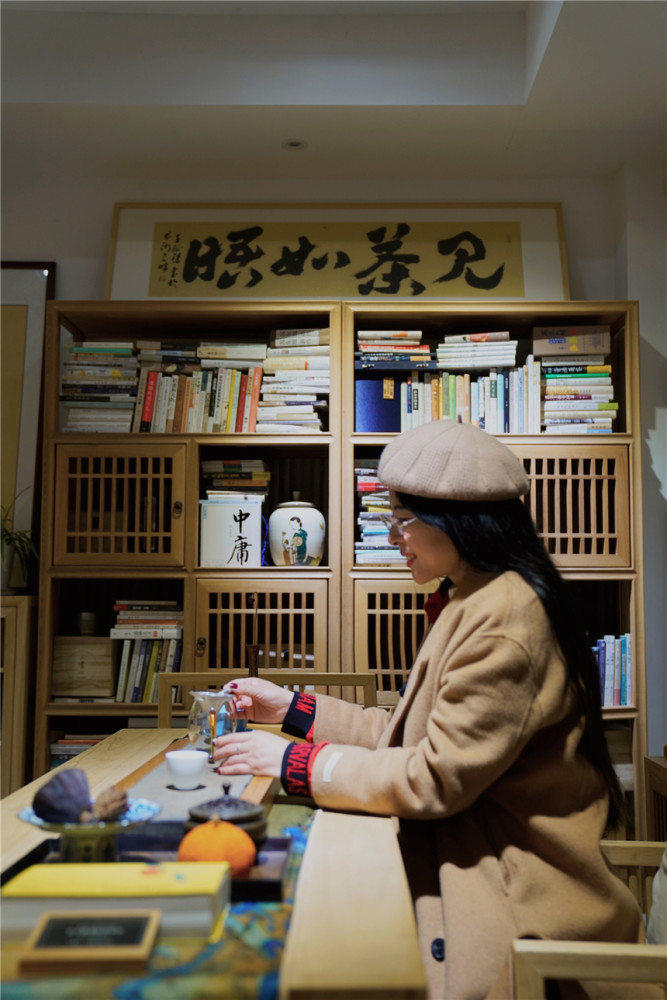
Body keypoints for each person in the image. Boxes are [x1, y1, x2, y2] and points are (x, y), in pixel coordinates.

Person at [213, 418, 652, 1000]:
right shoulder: (473, 596)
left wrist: (295, 763)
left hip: (518, 920)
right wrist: (292, 709)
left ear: (459, 522)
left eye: (402, 520)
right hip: (471, 870)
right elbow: (409, 733)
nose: (394, 536)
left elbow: (434, 777)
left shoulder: (504, 620)